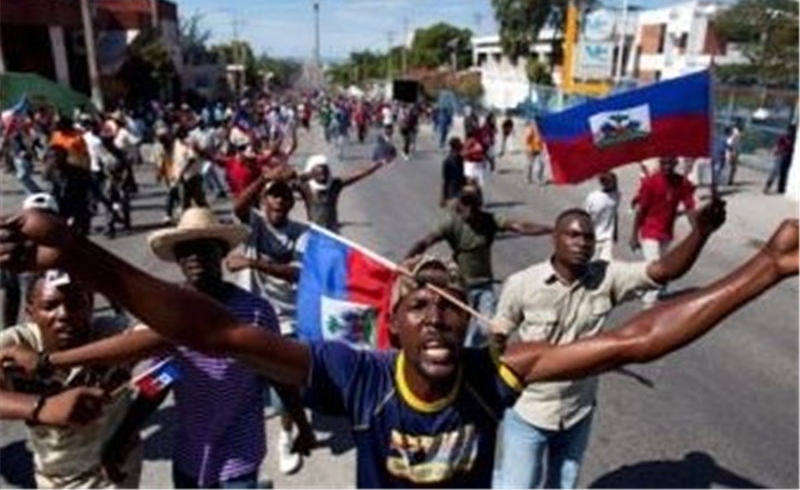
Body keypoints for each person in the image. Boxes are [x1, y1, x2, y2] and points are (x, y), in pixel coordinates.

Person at [1, 210, 796, 489]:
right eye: (418, 301)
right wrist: (81, 252)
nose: (438, 314)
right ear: (394, 328)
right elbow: (208, 329)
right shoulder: (356, 375)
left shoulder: (498, 372)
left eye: (451, 302)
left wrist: (767, 266)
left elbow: (635, 338)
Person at [3, 208, 313, 488]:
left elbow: (278, 375)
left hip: (240, 448)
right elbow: (161, 379)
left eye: (203, 250)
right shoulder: (166, 315)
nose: (194, 258)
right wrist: (123, 437)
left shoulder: (255, 311)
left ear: (220, 253)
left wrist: (300, 422)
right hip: (192, 453)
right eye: (185, 251)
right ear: (177, 260)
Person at [492, 200, 726, 489]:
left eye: (588, 237)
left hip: (578, 411)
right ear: (555, 239)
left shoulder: (607, 276)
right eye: (573, 235)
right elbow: (497, 342)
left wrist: (700, 233)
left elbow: (664, 270)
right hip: (529, 411)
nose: (581, 243)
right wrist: (498, 343)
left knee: (563, 485)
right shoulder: (521, 284)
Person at [0, 269, 162, 488]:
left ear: (91, 306)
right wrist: (42, 407)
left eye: (76, 303)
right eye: (50, 306)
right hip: (57, 478)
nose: (65, 314)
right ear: (31, 313)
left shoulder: (114, 333)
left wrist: (126, 434)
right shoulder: (15, 344)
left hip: (116, 468)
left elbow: (165, 370)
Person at [228, 171, 316, 475]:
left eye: (283, 195)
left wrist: (253, 263)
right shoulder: (254, 223)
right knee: (238, 384)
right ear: (263, 200)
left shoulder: (301, 232)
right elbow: (238, 207)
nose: (278, 200)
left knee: (284, 390)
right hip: (249, 315)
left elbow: (298, 273)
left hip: (286, 317)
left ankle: (285, 436)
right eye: (272, 194)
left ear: (291, 201)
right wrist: (264, 176)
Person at [406, 184, 551, 347]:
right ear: (459, 204)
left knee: (485, 327)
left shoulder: (489, 220)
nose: (468, 209)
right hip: (460, 286)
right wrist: (407, 261)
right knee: (458, 325)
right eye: (465, 204)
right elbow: (426, 241)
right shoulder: (451, 224)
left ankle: (470, 354)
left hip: (484, 286)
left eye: (472, 204)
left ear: (479, 204)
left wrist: (551, 229)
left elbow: (519, 226)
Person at [630, 157, 696, 307]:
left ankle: (643, 286)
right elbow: (641, 210)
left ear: (675, 164)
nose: (666, 166)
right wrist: (634, 235)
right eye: (663, 163)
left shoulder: (682, 183)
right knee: (656, 266)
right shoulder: (651, 182)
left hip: (666, 232)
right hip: (649, 230)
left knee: (661, 264)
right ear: (659, 164)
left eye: (669, 163)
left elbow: (689, 207)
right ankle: (649, 304)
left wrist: (696, 230)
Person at [296, 154, 391, 233]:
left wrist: (379, 164)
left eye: (325, 172)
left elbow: (359, 174)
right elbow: (285, 181)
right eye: (319, 173)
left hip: (332, 232)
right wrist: (303, 176)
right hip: (314, 231)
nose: (323, 176)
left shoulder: (335, 184)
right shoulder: (305, 188)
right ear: (311, 174)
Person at [583, 172, 620, 261]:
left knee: (606, 264)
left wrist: (615, 231)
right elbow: (585, 218)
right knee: (591, 263)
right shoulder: (593, 197)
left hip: (608, 238)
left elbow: (614, 213)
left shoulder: (616, 195)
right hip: (593, 237)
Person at [764, 124, 796, 195]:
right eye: (790, 131)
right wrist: (777, 151)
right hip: (780, 155)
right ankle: (768, 186)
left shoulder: (793, 139)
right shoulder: (784, 137)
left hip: (787, 157)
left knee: (783, 173)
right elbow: (777, 145)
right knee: (775, 171)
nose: (791, 132)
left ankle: (781, 188)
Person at [441, 137, 466, 208]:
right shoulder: (448, 161)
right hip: (453, 193)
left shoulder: (460, 158)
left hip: (460, 190)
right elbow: (446, 180)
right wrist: (443, 197)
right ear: (456, 147)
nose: (461, 146)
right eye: (459, 144)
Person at [524, 120, 546, 185]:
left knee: (542, 164)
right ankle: (528, 177)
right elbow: (527, 139)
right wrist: (529, 148)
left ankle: (539, 178)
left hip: (539, 149)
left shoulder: (542, 129)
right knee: (530, 164)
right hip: (531, 149)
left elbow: (544, 138)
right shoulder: (531, 129)